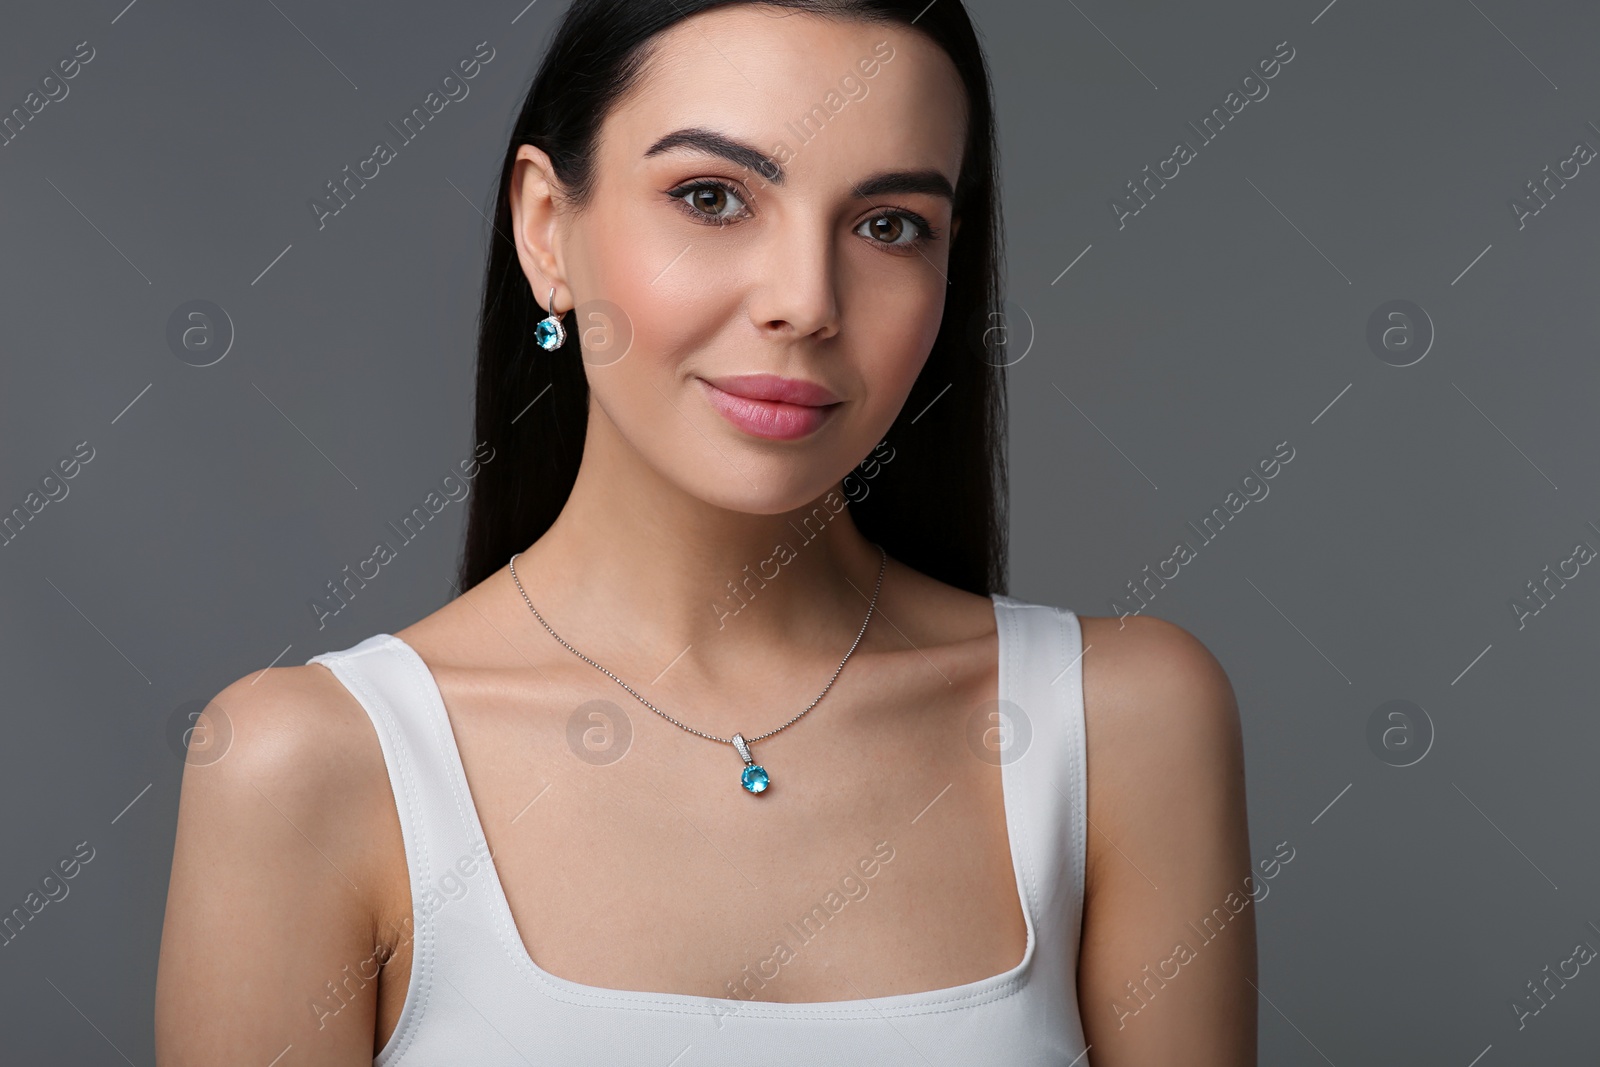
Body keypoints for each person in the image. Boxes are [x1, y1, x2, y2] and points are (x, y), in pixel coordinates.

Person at [155, 1, 1255, 1063]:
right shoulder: (307, 770)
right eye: (713, 197)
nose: (804, 300)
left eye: (888, 225)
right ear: (548, 228)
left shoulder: (1121, 727)